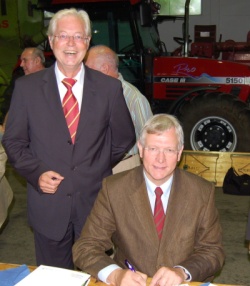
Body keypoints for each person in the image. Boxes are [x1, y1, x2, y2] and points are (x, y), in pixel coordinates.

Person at [2, 8, 135, 269]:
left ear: (87, 42)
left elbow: (123, 137)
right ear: (51, 42)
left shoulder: (109, 88)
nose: (71, 44)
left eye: (78, 37)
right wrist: (36, 172)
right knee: (54, 278)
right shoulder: (27, 88)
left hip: (95, 207)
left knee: (96, 275)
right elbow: (14, 141)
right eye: (63, 36)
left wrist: (95, 167)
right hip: (48, 207)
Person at [73, 114, 225, 286]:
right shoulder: (115, 189)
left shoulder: (201, 192)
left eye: (169, 150)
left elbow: (213, 251)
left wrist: (182, 272)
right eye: (153, 149)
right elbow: (85, 246)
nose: (160, 159)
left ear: (179, 152)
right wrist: (115, 275)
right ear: (141, 149)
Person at [85, 45, 153, 173]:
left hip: (123, 167)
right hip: (96, 167)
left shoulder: (133, 98)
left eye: (88, 69)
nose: (84, 74)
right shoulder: (91, 94)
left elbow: (150, 139)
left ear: (104, 69)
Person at [0, 47, 45, 134]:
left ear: (37, 61)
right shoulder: (23, 83)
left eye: (25, 60)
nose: (21, 64)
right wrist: (5, 127)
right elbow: (15, 107)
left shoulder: (53, 80)